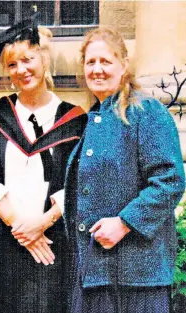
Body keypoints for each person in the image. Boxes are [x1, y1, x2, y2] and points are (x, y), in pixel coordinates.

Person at [0, 15, 87, 313]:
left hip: (51, 244)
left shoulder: (75, 120)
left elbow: (79, 183)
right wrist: (23, 228)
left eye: (27, 59)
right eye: (12, 65)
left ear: (43, 59)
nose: (21, 70)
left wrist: (42, 223)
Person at [64, 26, 185, 313]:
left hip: (137, 279)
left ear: (123, 65)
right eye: (91, 62)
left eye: (106, 61)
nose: (97, 69)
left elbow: (170, 180)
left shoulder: (146, 112)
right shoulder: (94, 117)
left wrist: (125, 222)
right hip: (95, 274)